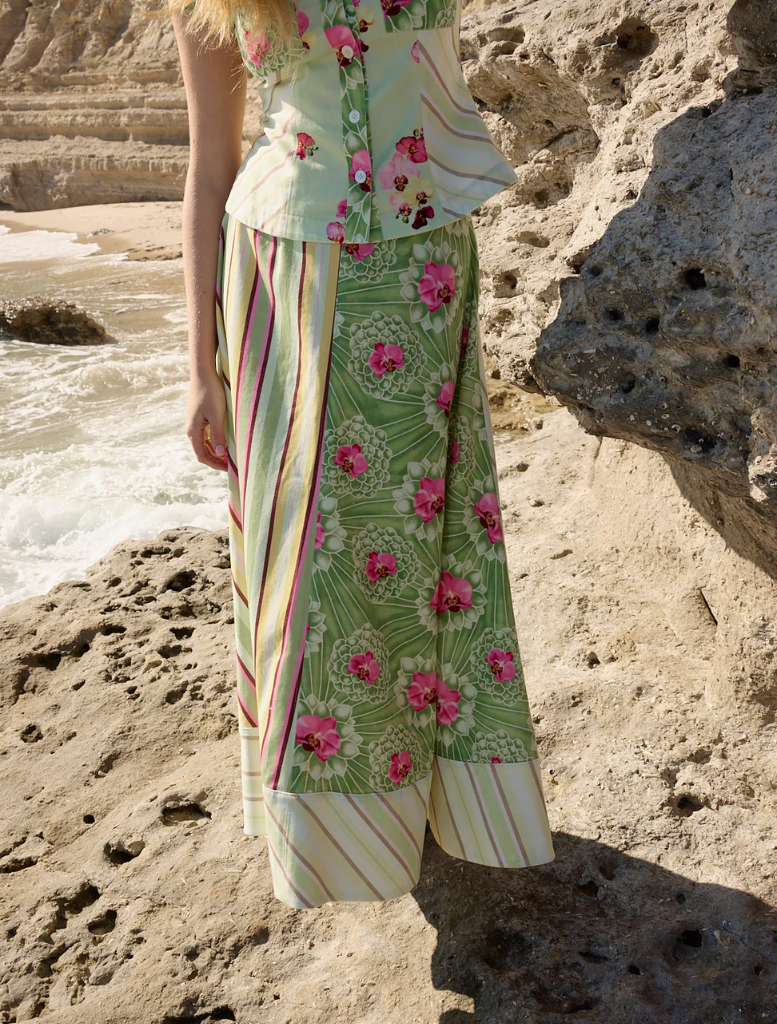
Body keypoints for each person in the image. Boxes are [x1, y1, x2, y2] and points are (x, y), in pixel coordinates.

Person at [171, 0, 555, 909]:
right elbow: (209, 166)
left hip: (423, 259)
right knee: (307, 563)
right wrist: (199, 369)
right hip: (280, 272)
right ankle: (327, 836)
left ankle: (448, 804)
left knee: (437, 541)